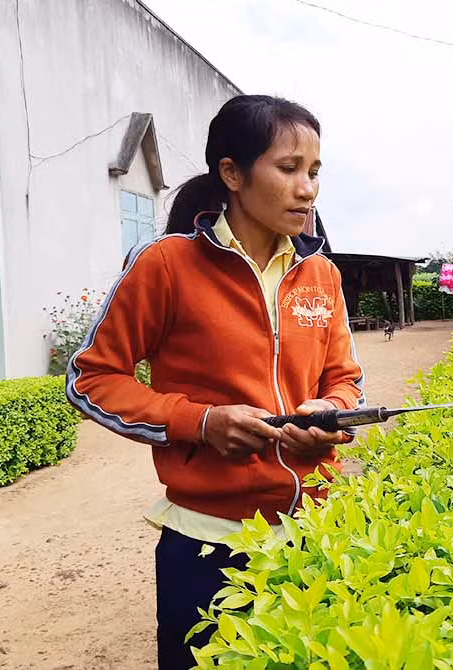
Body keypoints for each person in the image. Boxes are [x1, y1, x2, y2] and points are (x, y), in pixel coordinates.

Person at [65, 95, 364, 669]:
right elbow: (91, 378)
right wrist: (200, 422)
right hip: (208, 544)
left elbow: (346, 378)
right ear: (232, 173)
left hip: (315, 536)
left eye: (315, 171)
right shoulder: (165, 266)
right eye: (288, 168)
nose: (307, 189)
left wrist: (328, 414)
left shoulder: (321, 273)